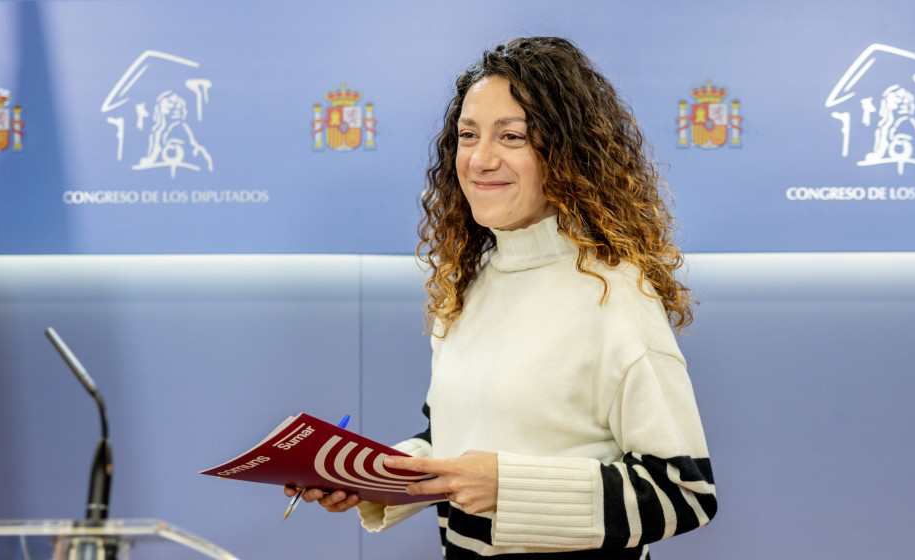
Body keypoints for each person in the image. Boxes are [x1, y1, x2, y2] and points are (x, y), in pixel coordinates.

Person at [286, 36, 717, 558]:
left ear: (567, 155)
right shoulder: (467, 282)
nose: (481, 159)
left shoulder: (617, 293)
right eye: (468, 135)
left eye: (511, 136)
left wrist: (509, 488)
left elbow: (684, 493)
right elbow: (450, 438)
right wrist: (367, 477)